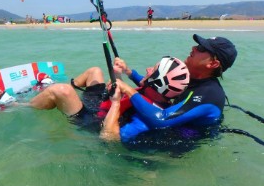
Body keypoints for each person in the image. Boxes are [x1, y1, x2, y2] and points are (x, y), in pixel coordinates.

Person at [100, 34, 237, 141]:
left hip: (178, 142)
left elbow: (161, 120)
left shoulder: (209, 94)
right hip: (168, 124)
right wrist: (129, 72)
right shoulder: (194, 77)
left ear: (213, 64)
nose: (193, 48)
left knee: (119, 132)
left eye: (201, 49)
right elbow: (161, 86)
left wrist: (128, 90)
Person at [26, 56, 190, 139]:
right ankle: (45, 87)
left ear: (158, 81)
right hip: (101, 105)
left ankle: (16, 105)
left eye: (152, 70)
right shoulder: (155, 92)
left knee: (62, 91)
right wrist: (119, 73)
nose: (147, 69)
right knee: (95, 71)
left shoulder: (146, 118)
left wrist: (116, 103)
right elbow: (132, 94)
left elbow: (108, 138)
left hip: (94, 121)